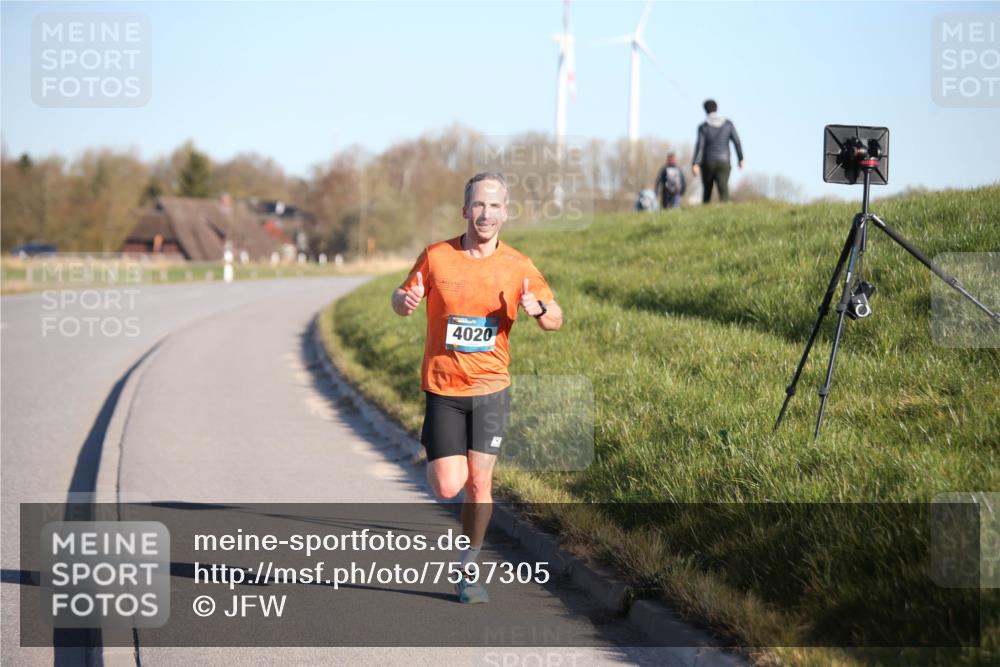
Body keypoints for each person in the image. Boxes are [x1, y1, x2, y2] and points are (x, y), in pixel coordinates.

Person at [391, 172, 563, 604]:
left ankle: (467, 568)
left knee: (480, 484)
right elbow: (400, 297)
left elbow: (555, 319)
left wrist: (539, 307)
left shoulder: (518, 265)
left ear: (506, 213)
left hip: (491, 389)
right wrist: (404, 301)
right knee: (449, 485)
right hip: (444, 388)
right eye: (479, 205)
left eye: (495, 206)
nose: (486, 214)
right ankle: (438, 453)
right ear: (465, 210)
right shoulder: (437, 256)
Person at [692, 99, 744, 203]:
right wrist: (740, 158)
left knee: (707, 192)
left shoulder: (703, 127)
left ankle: (705, 210)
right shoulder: (728, 124)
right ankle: (726, 209)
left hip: (708, 162)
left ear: (705, 110)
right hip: (724, 161)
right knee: (723, 190)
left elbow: (700, 146)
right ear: (717, 108)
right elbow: (737, 142)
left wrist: (695, 163)